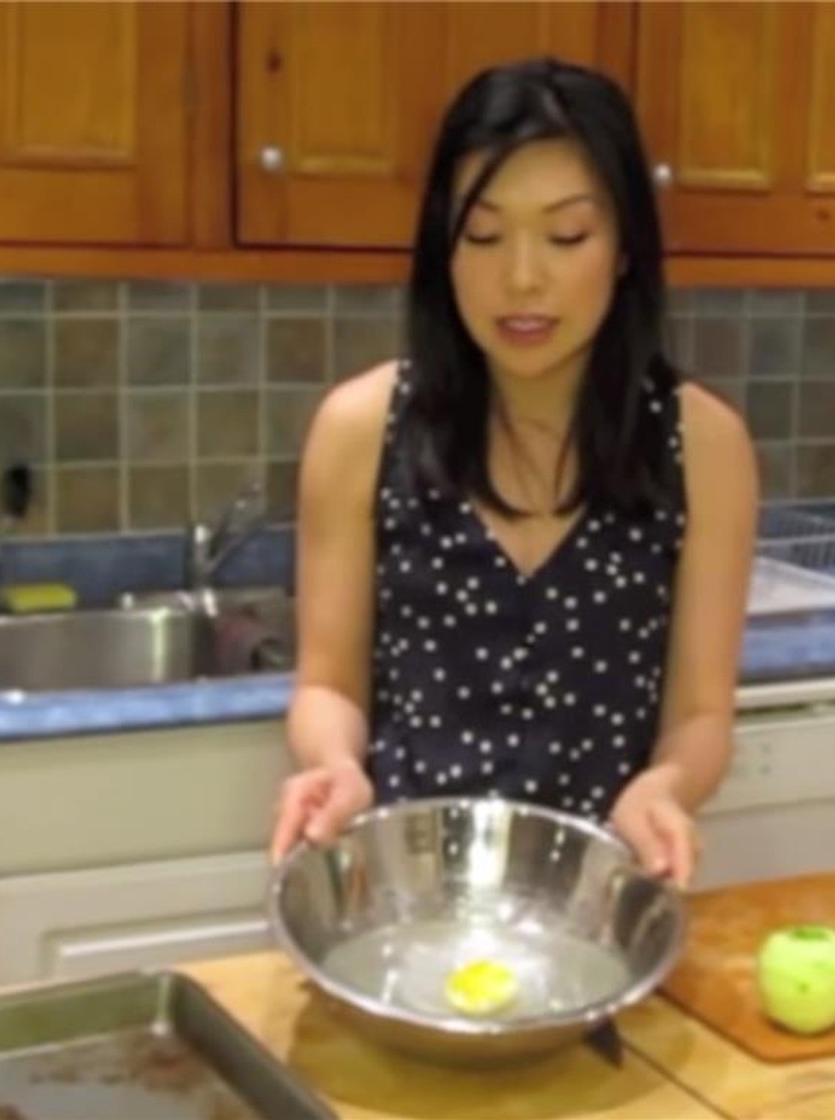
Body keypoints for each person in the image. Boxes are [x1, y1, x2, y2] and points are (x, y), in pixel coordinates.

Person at [269, 56, 758, 888]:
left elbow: (701, 714)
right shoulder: (360, 430)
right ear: (444, 249)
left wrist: (666, 787)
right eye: (485, 235)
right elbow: (328, 684)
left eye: (566, 236)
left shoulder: (703, 447)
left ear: (626, 248)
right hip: (401, 900)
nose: (522, 277)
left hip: (601, 907)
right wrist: (333, 761)